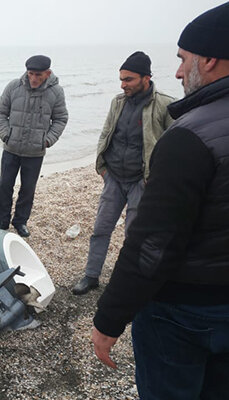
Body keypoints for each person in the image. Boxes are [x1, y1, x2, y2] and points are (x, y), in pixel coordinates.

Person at [91, 3, 229, 399]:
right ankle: (88, 274)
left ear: (211, 58)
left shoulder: (190, 135)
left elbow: (153, 245)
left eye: (184, 59)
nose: (181, 71)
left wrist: (109, 320)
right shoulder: (124, 105)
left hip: (184, 313)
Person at [72, 52, 175, 295]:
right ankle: (91, 276)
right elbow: (106, 132)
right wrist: (102, 167)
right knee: (100, 229)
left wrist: (157, 178)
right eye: (121, 79)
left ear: (146, 78)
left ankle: (130, 281)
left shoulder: (165, 105)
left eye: (128, 79)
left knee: (134, 235)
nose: (123, 84)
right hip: (114, 178)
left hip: (142, 181)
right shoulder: (117, 102)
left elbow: (176, 145)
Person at [0, 55, 68, 237]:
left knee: (28, 189)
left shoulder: (56, 92)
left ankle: (20, 222)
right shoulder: (13, 86)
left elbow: (60, 119)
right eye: (30, 73)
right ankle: (2, 221)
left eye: (38, 75)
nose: (33, 78)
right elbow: (0, 112)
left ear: (48, 73)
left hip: (35, 152)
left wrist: (48, 140)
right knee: (4, 186)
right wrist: (5, 135)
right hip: (11, 148)